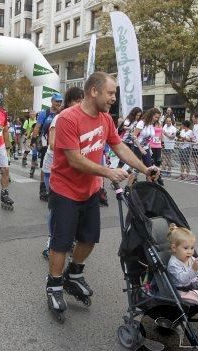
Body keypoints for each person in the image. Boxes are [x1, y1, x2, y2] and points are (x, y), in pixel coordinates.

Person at [45, 72, 159, 321]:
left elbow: (119, 146)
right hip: (65, 188)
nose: (114, 98)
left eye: (115, 93)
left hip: (89, 189)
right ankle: (54, 285)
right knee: (62, 242)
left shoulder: (106, 119)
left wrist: (144, 168)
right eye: (110, 93)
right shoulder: (68, 118)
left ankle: (73, 275)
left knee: (88, 239)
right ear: (94, 91)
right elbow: (74, 159)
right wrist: (108, 172)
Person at [41, 86, 84, 259]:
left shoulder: (82, 119)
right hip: (53, 168)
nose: (80, 103)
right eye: (77, 100)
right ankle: (51, 242)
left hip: (71, 169)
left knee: (73, 208)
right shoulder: (60, 117)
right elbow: (52, 143)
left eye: (82, 100)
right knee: (56, 208)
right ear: (69, 102)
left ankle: (70, 239)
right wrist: (74, 150)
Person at [32, 93, 63, 200]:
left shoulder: (63, 112)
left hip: (60, 144)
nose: (58, 103)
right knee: (44, 166)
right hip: (46, 144)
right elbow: (37, 127)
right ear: (52, 101)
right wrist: (33, 140)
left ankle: (56, 188)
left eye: (60, 101)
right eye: (57, 101)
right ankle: (43, 188)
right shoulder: (44, 113)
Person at [127, 108, 162, 187]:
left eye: (158, 118)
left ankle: (151, 185)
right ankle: (128, 187)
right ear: (151, 115)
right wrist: (140, 148)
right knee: (136, 168)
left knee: (150, 168)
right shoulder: (141, 123)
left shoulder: (151, 125)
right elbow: (133, 136)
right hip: (137, 147)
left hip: (146, 148)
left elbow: (149, 138)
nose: (156, 119)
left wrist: (149, 148)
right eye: (155, 117)